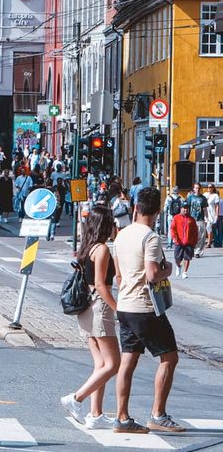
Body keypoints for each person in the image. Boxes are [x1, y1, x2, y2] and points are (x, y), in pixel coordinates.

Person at [112, 186, 184, 435]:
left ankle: (121, 418)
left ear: (136, 207)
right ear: (157, 211)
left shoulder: (121, 235)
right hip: (145, 308)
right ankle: (158, 414)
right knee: (169, 357)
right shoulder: (150, 237)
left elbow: (119, 276)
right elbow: (153, 275)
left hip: (125, 306)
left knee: (127, 361)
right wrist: (168, 270)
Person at [61, 205, 120, 430]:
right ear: (105, 225)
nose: (114, 226)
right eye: (111, 222)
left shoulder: (87, 248)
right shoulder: (102, 250)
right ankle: (76, 399)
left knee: (100, 364)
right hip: (99, 307)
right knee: (113, 364)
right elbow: (100, 284)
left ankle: (96, 414)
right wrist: (117, 309)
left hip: (86, 308)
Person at [170, 204, 197, 279]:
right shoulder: (176, 218)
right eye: (184, 208)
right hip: (179, 242)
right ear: (181, 209)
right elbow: (172, 228)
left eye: (187, 208)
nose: (185, 210)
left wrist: (194, 241)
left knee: (187, 258)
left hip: (189, 242)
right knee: (177, 258)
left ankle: (185, 272)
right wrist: (174, 238)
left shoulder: (191, 219)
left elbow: (195, 231)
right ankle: (178, 266)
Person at [185, 183, 207, 256]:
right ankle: (192, 250)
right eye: (196, 188)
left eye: (198, 188)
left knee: (201, 236)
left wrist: (206, 219)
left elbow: (204, 209)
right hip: (192, 219)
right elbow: (186, 207)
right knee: (191, 236)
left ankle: (198, 252)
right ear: (194, 189)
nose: (197, 189)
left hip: (200, 219)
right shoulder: (190, 197)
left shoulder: (203, 198)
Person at [206, 184, 221, 251]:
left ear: (213, 188)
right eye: (208, 187)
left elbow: (217, 206)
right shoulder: (205, 194)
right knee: (206, 228)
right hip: (205, 213)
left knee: (209, 228)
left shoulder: (215, 195)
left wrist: (216, 215)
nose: (209, 188)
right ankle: (209, 241)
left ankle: (209, 242)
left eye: (210, 187)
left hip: (211, 214)